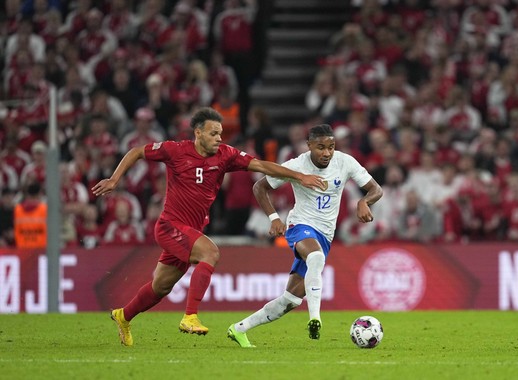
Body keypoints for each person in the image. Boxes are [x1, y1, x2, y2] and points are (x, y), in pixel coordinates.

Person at [91, 107, 325, 346]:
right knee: (210, 252)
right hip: (170, 226)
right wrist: (114, 179)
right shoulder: (175, 150)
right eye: (213, 133)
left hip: (190, 232)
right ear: (198, 133)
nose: (219, 138)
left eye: (220, 133)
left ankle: (123, 316)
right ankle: (190, 316)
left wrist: (299, 176)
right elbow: (137, 151)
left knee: (160, 287)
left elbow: (263, 166)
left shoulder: (225, 155)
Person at [227, 124, 383, 347]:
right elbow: (259, 187)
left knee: (290, 300)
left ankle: (239, 329)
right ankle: (315, 319)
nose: (326, 152)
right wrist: (274, 219)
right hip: (300, 226)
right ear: (309, 145)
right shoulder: (296, 165)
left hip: (325, 235)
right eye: (320, 147)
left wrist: (364, 201)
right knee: (316, 258)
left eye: (330, 147)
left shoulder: (345, 162)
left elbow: (376, 189)